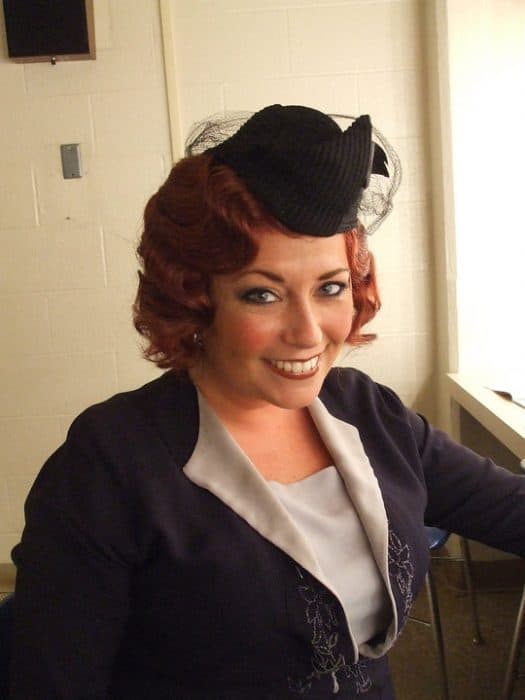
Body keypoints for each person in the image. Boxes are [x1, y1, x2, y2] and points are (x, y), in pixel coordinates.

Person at [9, 105, 525, 700]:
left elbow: (509, 508)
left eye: (330, 287)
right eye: (262, 294)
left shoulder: (367, 411)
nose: (308, 333)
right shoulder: (110, 463)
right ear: (197, 299)